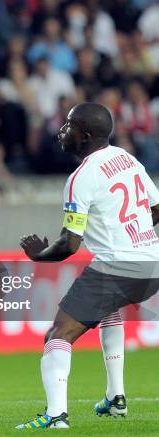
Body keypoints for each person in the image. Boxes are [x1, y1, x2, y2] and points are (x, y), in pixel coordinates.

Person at [17, 103, 159, 429]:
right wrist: (134, 234)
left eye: (68, 126)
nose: (61, 131)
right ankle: (116, 397)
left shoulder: (80, 177)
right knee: (108, 310)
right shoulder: (127, 158)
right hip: (152, 264)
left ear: (85, 135)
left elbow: (69, 244)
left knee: (58, 334)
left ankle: (55, 416)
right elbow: (158, 206)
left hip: (119, 267)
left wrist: (40, 255)